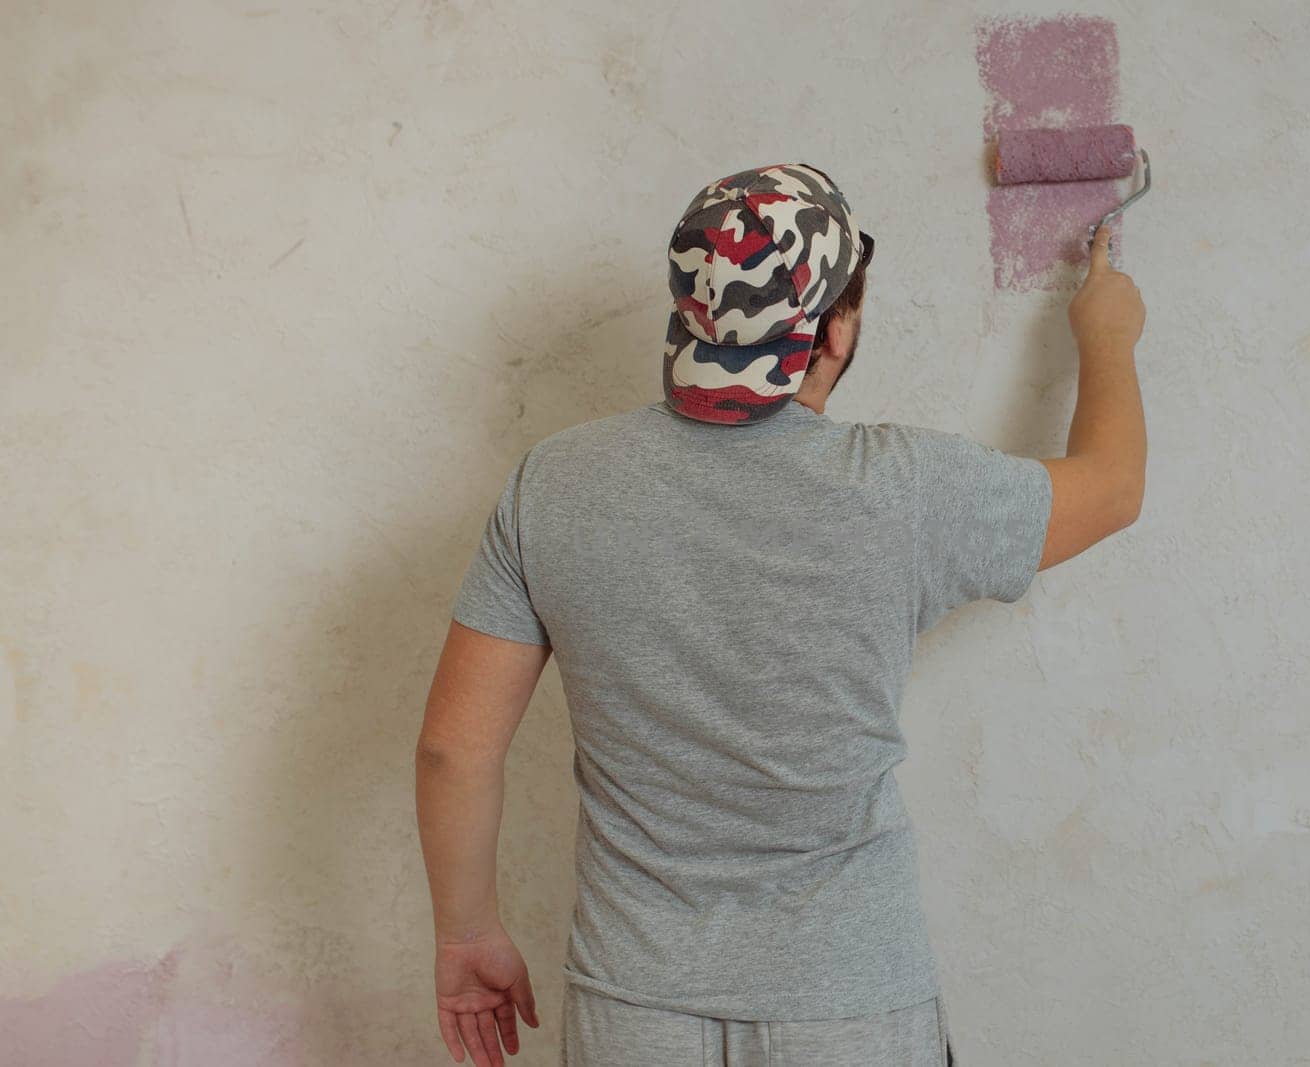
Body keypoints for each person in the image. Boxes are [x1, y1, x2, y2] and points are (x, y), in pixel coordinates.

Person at [414, 162, 1146, 1067]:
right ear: (836, 329)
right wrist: (1107, 333)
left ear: (688, 315)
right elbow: (1113, 488)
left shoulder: (552, 486)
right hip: (850, 1005)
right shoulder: (903, 490)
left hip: (638, 1011)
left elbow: (455, 747)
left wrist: (466, 933)